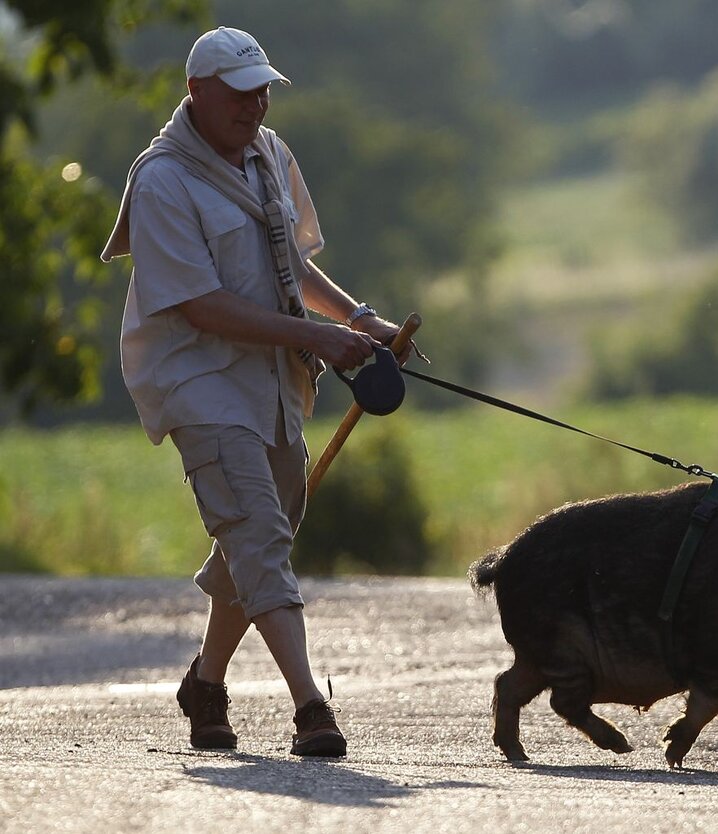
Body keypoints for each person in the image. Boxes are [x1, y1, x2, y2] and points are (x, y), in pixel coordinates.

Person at [101, 26, 411, 757]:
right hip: (198, 379)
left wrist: (357, 319)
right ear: (196, 93)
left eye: (263, 89)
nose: (256, 105)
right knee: (260, 536)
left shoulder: (270, 155)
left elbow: (294, 268)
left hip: (270, 381)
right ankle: (311, 708)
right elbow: (199, 307)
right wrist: (317, 338)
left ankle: (205, 684)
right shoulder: (162, 181)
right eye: (240, 93)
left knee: (258, 537)